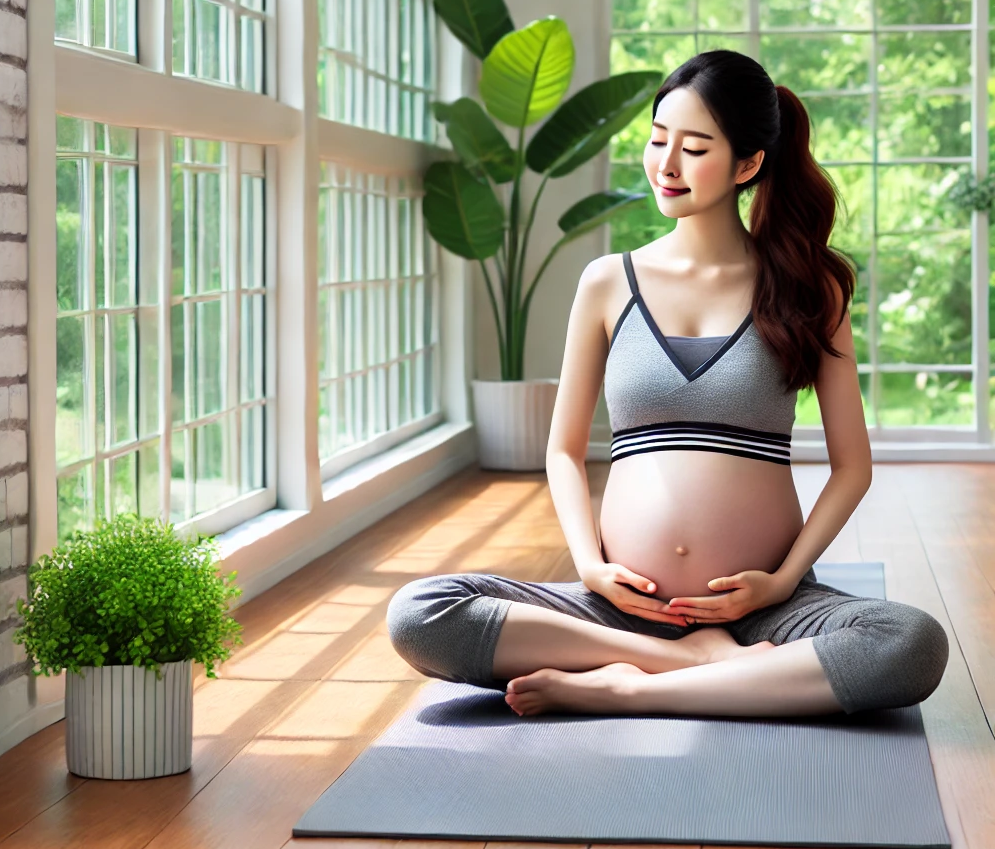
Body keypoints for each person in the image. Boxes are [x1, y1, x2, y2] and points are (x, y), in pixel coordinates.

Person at [386, 49, 950, 719]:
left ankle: (629, 687)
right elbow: (564, 451)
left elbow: (852, 468)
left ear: (748, 163)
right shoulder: (606, 282)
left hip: (761, 615)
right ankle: (694, 665)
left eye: (694, 147)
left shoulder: (809, 288)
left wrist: (779, 582)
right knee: (419, 613)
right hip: (615, 607)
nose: (666, 164)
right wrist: (591, 569)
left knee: (911, 644)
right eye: (657, 141)